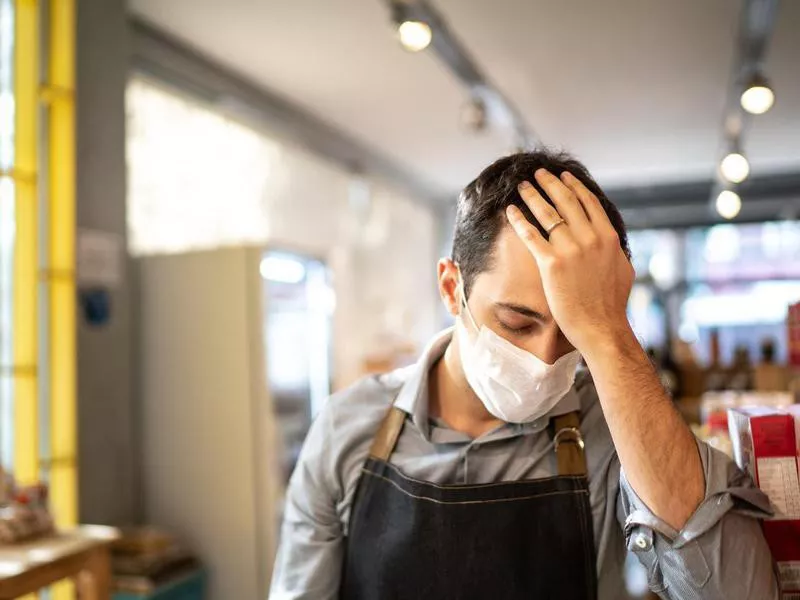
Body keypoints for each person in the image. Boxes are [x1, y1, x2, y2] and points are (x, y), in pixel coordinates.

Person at [269, 151, 778, 599]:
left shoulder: (615, 429)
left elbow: (734, 592)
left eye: (571, 331)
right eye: (517, 322)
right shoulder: (347, 427)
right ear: (452, 288)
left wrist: (609, 334)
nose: (543, 358)